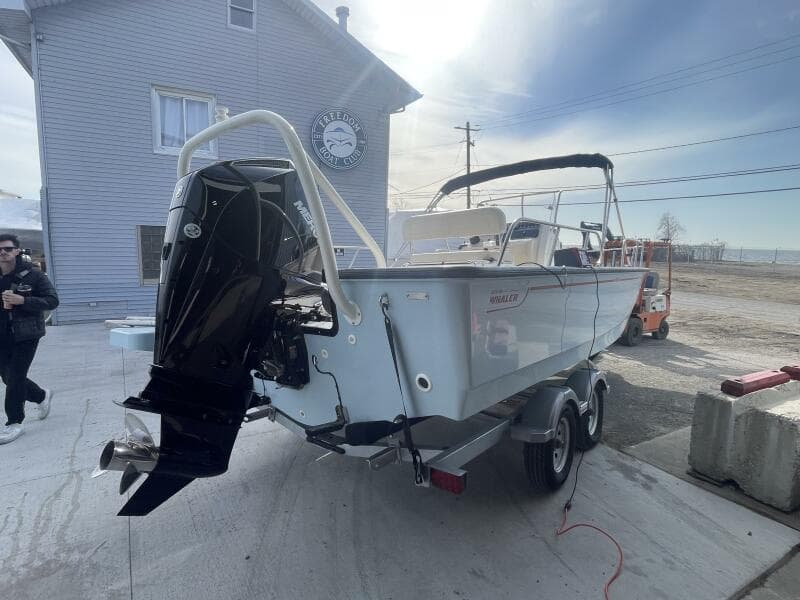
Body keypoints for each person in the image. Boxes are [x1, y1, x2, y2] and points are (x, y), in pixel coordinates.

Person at [0, 233, 59, 444]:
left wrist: (22, 300)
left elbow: (52, 301)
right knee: (8, 377)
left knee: (15, 377)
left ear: (16, 250)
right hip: (2, 336)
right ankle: (41, 395)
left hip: (26, 334)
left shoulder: (34, 275)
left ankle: (14, 423)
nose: (3, 253)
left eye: (7, 249)